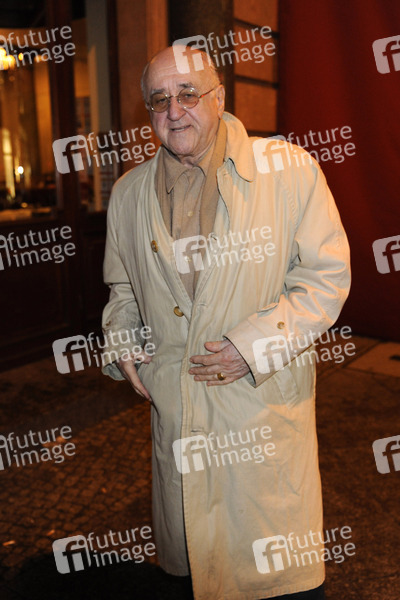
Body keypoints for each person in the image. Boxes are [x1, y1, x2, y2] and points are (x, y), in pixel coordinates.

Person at [101, 45, 351, 600]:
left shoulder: (288, 170)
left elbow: (325, 278)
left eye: (188, 94)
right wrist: (122, 340)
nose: (174, 111)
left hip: (261, 427)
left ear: (219, 97)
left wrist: (252, 346)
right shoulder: (128, 194)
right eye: (159, 100)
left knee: (274, 580)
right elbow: (123, 290)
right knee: (192, 572)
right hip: (179, 430)